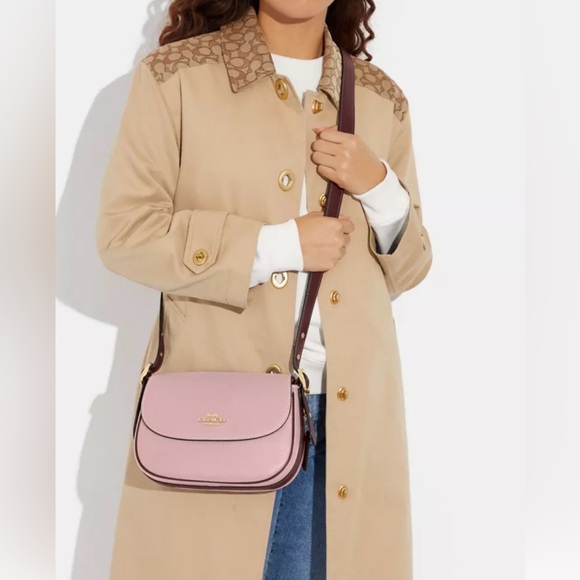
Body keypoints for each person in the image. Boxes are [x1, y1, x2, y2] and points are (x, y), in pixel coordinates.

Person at [96, 1, 433, 579]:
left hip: (351, 425)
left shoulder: (380, 100)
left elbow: (410, 269)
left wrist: (380, 188)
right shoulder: (176, 79)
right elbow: (124, 233)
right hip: (220, 421)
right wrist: (276, 246)